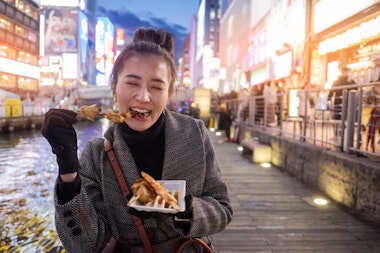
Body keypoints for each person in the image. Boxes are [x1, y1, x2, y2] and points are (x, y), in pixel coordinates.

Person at [41, 27, 233, 252]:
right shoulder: (96, 155)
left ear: (169, 93)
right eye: (132, 83)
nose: (143, 97)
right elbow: (83, 245)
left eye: (156, 86)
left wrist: (176, 204)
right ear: (114, 88)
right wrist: (67, 169)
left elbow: (223, 209)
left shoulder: (194, 134)